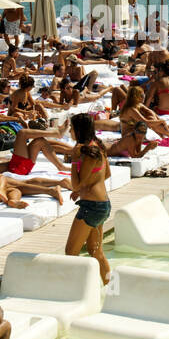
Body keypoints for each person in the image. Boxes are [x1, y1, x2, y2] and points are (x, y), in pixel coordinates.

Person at [64, 113, 112, 285]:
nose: (70, 131)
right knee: (96, 252)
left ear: (79, 130)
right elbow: (106, 174)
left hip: (91, 207)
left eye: (71, 128)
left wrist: (74, 159)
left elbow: (75, 185)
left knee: (71, 253)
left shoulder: (87, 154)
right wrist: (87, 186)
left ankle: (76, 291)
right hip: (102, 204)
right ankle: (111, 289)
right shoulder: (98, 146)